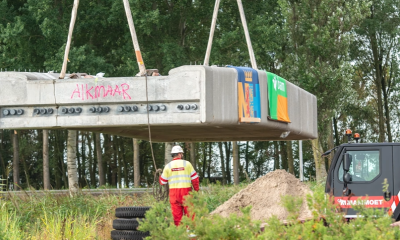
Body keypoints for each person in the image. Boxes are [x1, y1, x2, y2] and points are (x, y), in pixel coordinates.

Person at [159, 145, 199, 226]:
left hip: (174, 195)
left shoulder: (168, 166)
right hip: (186, 193)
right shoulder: (187, 164)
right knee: (190, 216)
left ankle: (180, 236)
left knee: (177, 219)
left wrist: (159, 174)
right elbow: (195, 179)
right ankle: (192, 237)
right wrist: (196, 190)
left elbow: (162, 182)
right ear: (180, 154)